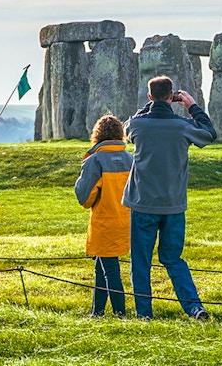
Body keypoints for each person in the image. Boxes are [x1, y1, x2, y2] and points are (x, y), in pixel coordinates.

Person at [123, 75, 217, 320]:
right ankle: (194, 307)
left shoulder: (138, 126)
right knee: (173, 259)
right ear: (172, 96)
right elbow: (209, 134)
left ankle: (144, 314)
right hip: (173, 205)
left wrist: (151, 104)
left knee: (141, 263)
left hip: (142, 203)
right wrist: (192, 106)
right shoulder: (182, 126)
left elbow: (127, 125)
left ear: (150, 96)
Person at [75, 114, 133, 318]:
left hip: (104, 221)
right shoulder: (130, 159)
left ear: (97, 135)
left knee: (110, 270)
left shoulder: (95, 160)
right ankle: (97, 312)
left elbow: (85, 197)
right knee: (102, 268)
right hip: (126, 221)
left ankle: (120, 314)